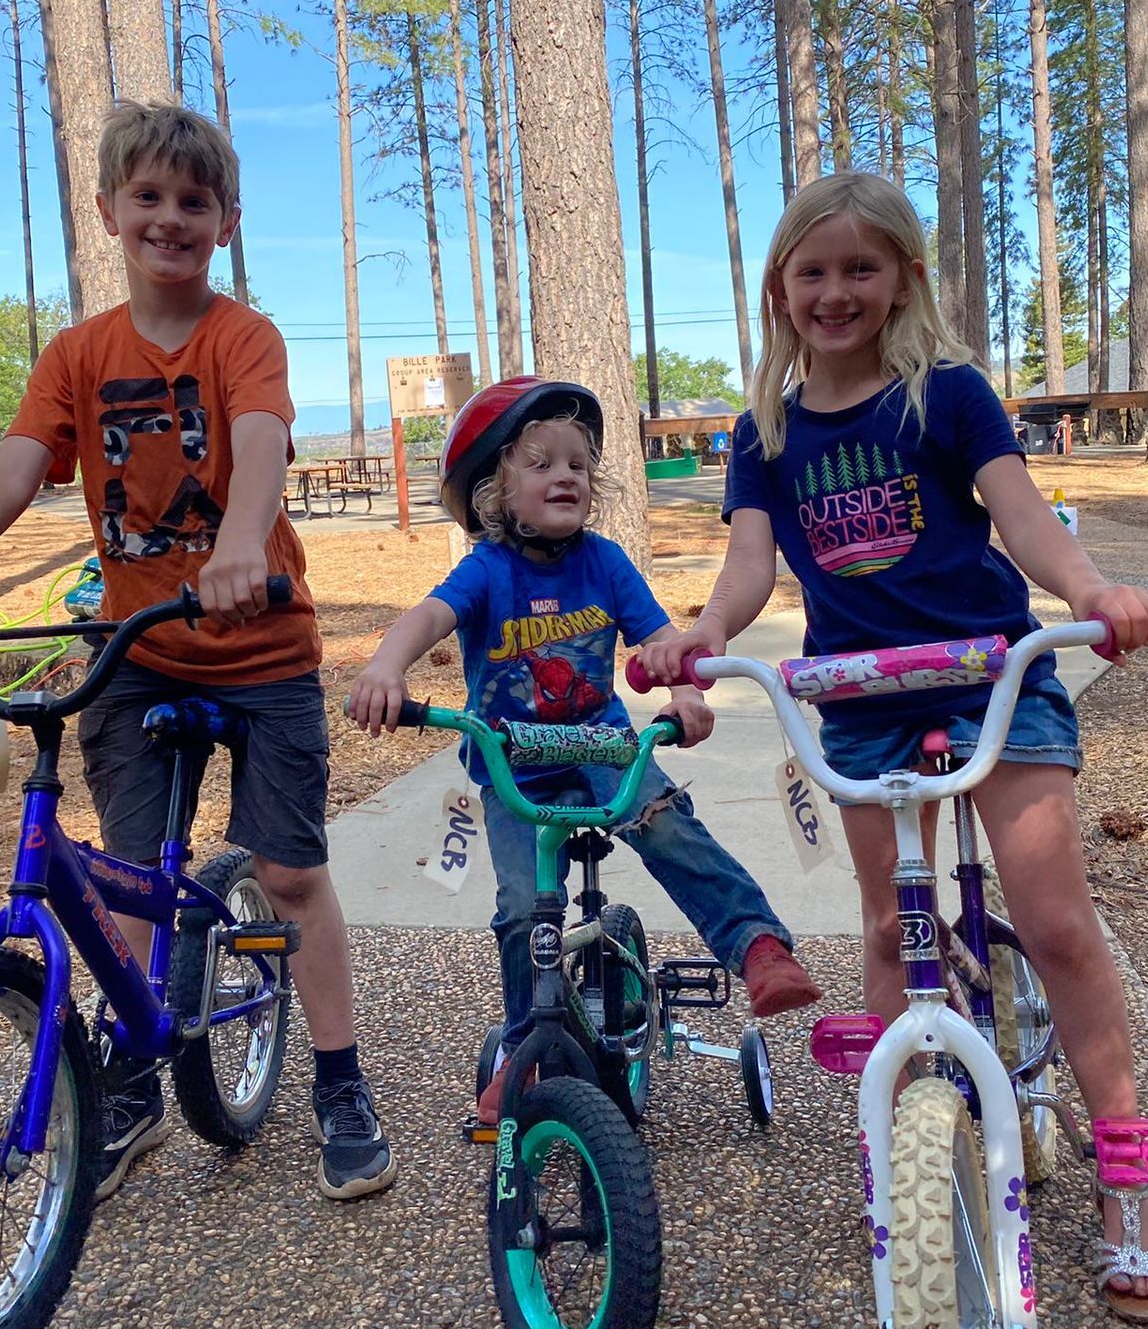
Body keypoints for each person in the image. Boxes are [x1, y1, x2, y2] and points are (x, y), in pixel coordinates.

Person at [635, 173, 1148, 1324]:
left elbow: (1022, 515)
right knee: (892, 923)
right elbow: (749, 565)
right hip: (861, 697)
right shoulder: (765, 432)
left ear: (904, 282)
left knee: (1056, 922)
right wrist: (709, 630)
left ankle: (1131, 1179)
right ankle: (904, 1149)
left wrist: (1092, 591)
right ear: (779, 290)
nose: (835, 293)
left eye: (859, 270)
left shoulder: (947, 396)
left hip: (991, 676)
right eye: (812, 272)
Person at [0, 100, 396, 1205]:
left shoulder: (241, 337)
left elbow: (258, 439)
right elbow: (16, 464)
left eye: (193, 202)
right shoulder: (78, 354)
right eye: (146, 198)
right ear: (110, 210)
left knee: (292, 872)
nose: (169, 219)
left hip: (258, 648)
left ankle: (340, 1082)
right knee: (121, 873)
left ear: (225, 221)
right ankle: (136, 1077)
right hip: (136, 649)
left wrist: (245, 542)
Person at [347, 376, 823, 1126]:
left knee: (664, 819)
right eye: (540, 464)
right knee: (518, 908)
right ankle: (527, 1045)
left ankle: (757, 945)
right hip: (513, 763)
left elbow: (662, 641)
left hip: (601, 744)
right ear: (494, 493)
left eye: (577, 464)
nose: (565, 475)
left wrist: (687, 692)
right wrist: (387, 664)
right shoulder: (489, 570)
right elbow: (430, 615)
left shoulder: (604, 563)